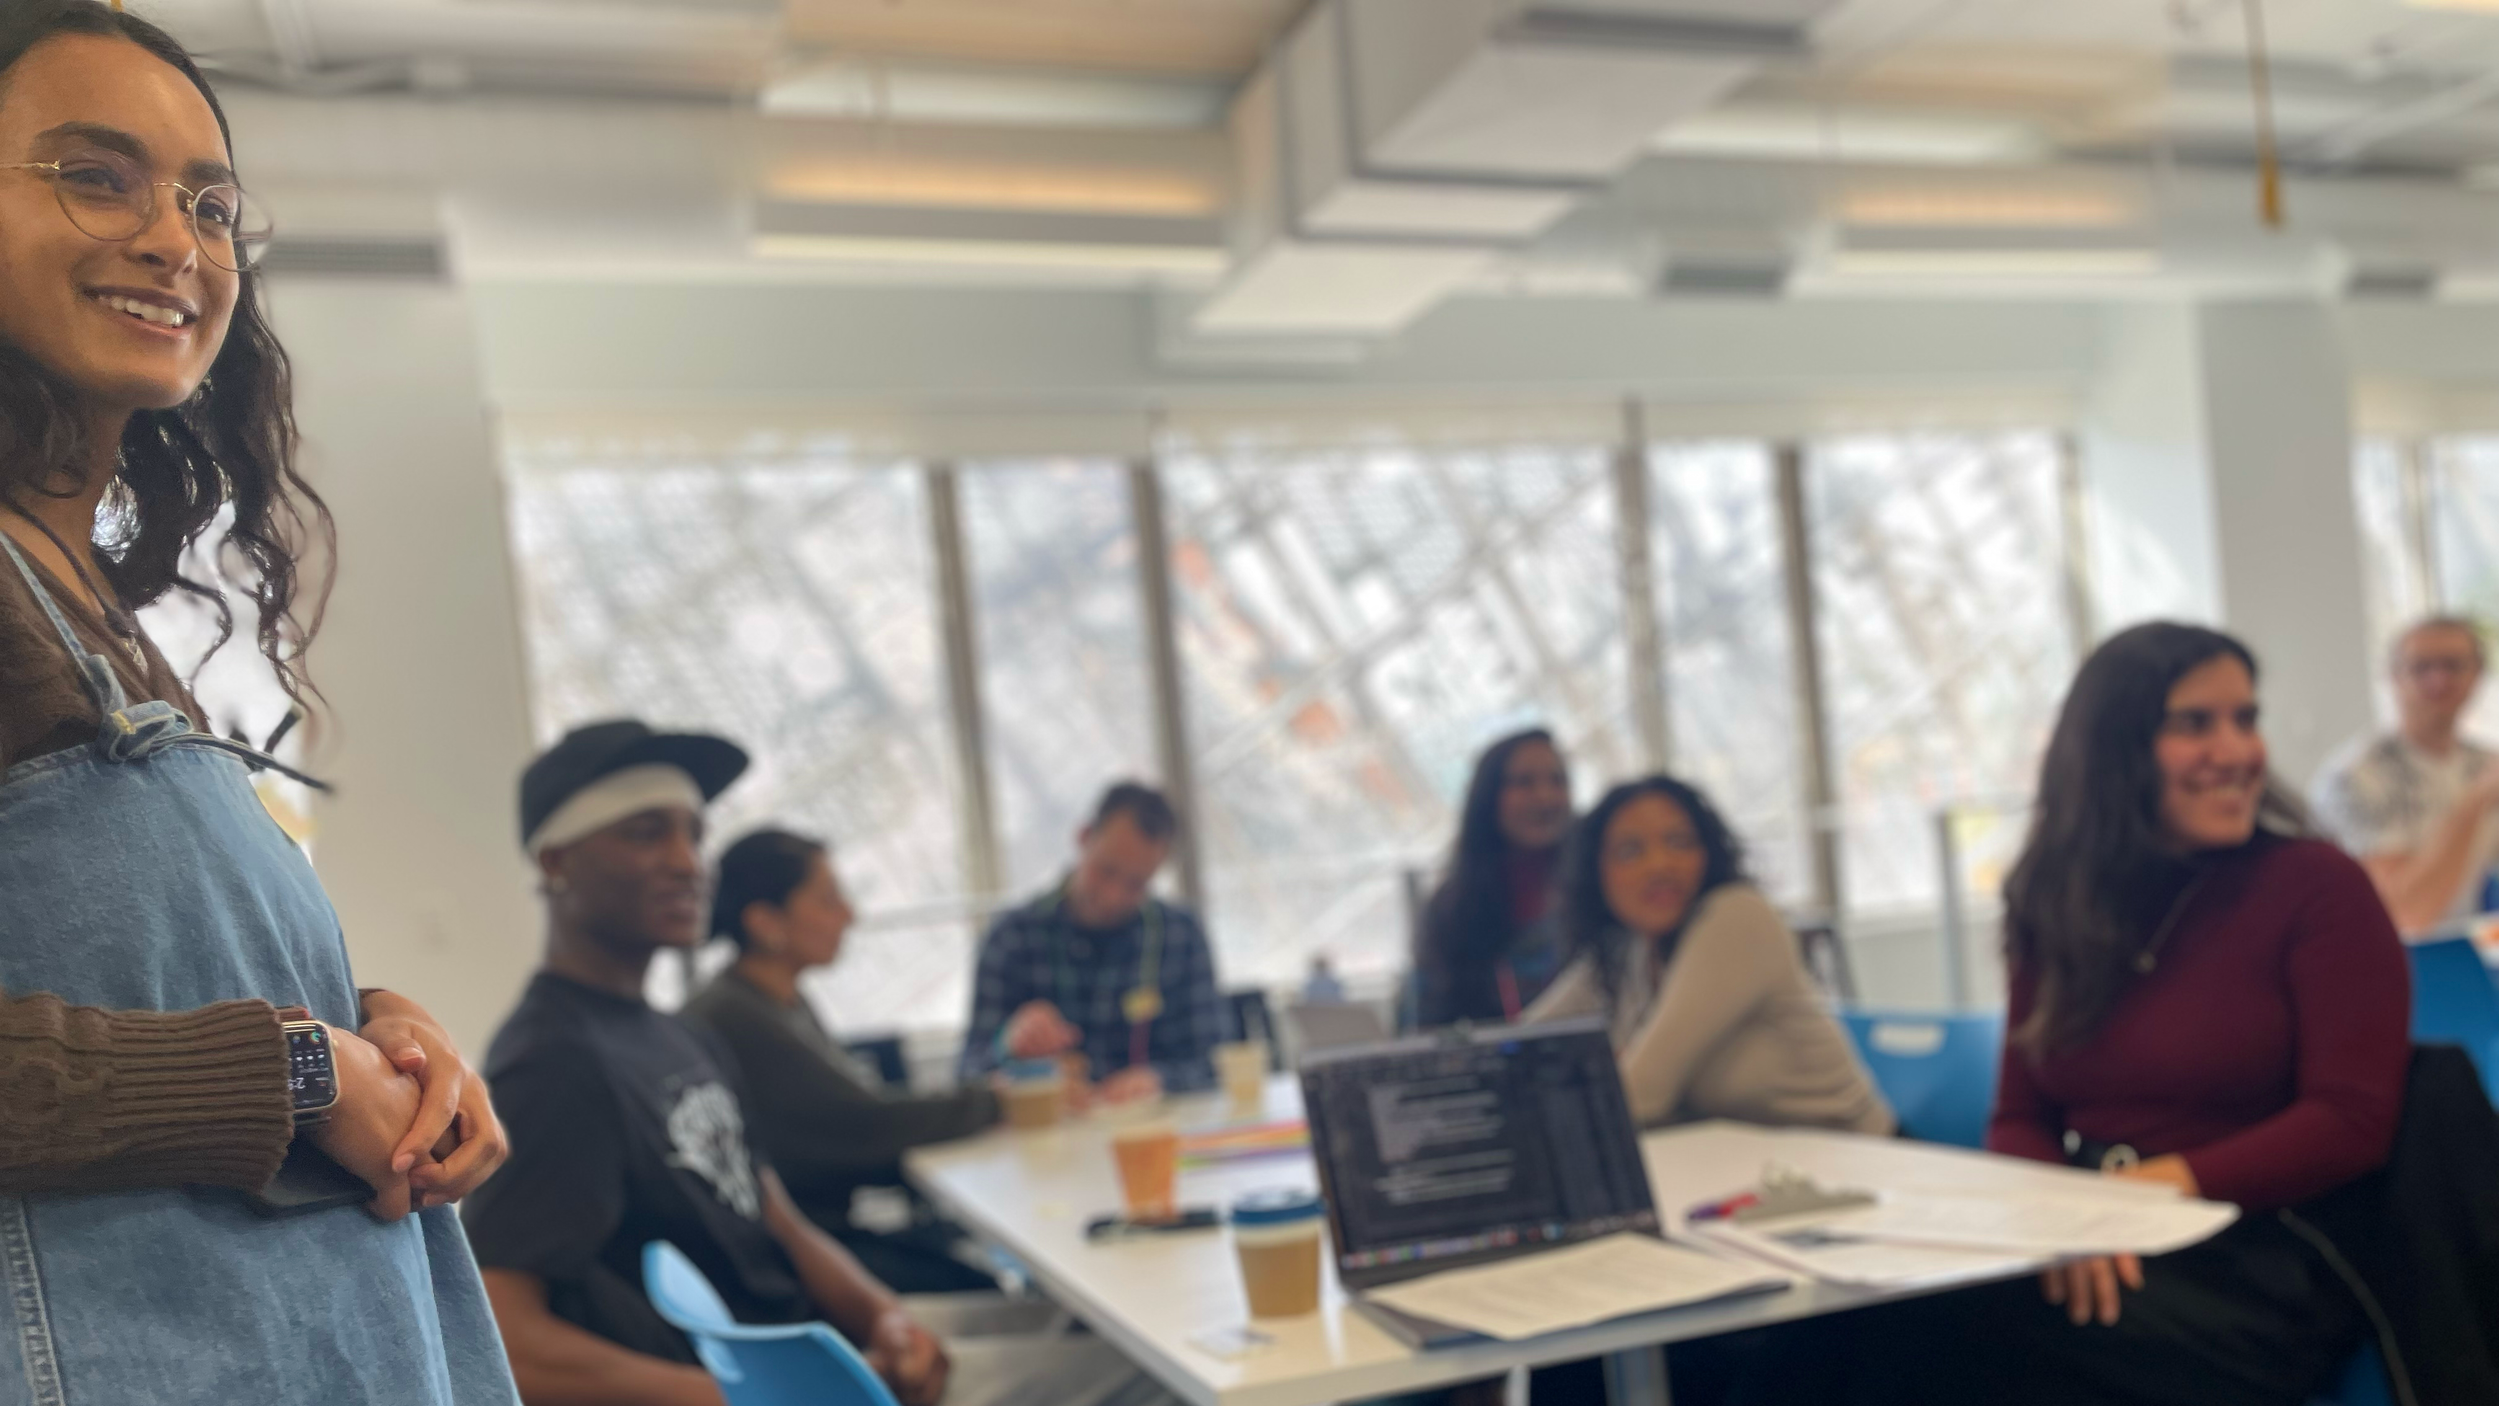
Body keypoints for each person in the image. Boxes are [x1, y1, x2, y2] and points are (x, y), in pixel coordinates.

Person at [0, 5, 513, 1401]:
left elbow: (111, 972)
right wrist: (292, 1068)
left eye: (210, 200)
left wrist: (373, 1025)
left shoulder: (85, 600)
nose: (178, 239)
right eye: (96, 174)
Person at [1772, 623, 2413, 1406]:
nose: (2237, 750)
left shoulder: (2316, 886)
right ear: (2115, 746)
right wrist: (2063, 1220)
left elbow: (2348, 1120)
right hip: (2090, 1228)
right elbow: (2017, 1114)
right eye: (2195, 723)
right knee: (1815, 1323)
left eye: (2245, 719)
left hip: (2256, 1256)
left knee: (1926, 1337)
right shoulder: (2057, 899)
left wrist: (2140, 1196)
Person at [464, 722, 1170, 1406]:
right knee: (1160, 1377)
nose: (686, 862)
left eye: (694, 834)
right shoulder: (553, 1061)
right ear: (555, 862)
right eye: (647, 833)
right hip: (785, 1381)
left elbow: (777, 1216)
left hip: (825, 1347)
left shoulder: (677, 1036)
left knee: (1111, 1334)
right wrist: (747, 1397)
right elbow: (505, 1338)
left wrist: (884, 1317)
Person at [683, 827, 1000, 1295]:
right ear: (766, 922)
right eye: (828, 900)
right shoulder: (735, 1016)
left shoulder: (778, 1000)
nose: (849, 915)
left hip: (816, 1233)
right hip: (786, 1258)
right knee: (974, 1284)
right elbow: (866, 1124)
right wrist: (995, 1102)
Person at [1524, 775, 1892, 1135]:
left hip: (1858, 1164)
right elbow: (1523, 1045)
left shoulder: (1738, 918)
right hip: (1747, 1167)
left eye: (1679, 842)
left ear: (1708, 853)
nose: (1659, 865)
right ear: (1596, 873)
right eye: (1630, 851)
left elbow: (1641, 1094)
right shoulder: (1627, 948)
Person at [959, 782, 1225, 1099]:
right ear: (1084, 837)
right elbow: (967, 1074)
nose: (1114, 897)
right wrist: (1007, 1045)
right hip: (1046, 1139)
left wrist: (1159, 1080)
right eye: (1106, 870)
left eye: (1136, 883)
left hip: (1149, 1136)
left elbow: (1215, 1061)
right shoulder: (1011, 937)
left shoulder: (1181, 937)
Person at [2312, 614, 2499, 933]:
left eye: (2453, 665)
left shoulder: (2484, 761)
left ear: (2477, 674)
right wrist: (2477, 800)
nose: (2439, 680)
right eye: (2422, 667)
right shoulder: (2355, 776)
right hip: (2394, 962)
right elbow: (2404, 914)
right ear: (2393, 675)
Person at [1412, 729, 1574, 1028]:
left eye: (1557, 780)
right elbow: (1427, 1022)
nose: (1545, 796)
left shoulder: (1601, 887)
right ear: (1488, 796)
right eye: (1524, 782)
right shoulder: (1451, 909)